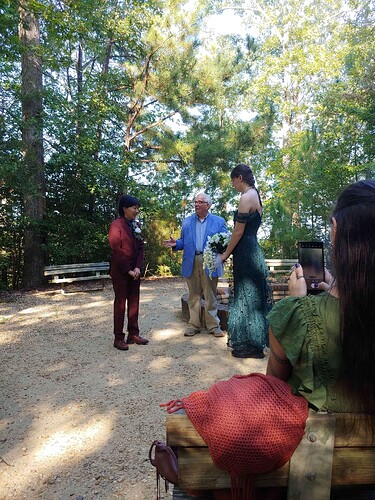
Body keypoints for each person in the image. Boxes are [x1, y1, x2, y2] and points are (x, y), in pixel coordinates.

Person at [267, 179, 375, 421]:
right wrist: (337, 286)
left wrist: (297, 306)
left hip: (320, 457)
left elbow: (270, 392)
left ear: (335, 232)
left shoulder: (294, 315)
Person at [220, 164, 271, 358]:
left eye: (233, 181)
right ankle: (256, 343)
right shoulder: (256, 195)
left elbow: (238, 231)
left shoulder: (246, 196)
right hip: (253, 248)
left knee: (245, 295)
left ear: (239, 178)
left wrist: (225, 254)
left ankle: (249, 344)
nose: (233, 185)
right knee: (253, 297)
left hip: (245, 252)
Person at [164, 193, 229, 338]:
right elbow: (183, 241)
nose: (196, 204)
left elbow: (226, 241)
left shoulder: (218, 221)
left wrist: (222, 255)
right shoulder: (187, 222)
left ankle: (213, 325)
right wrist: (176, 244)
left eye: (200, 202)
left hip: (210, 261)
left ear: (208, 205)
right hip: (191, 260)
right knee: (193, 294)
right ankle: (194, 325)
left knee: (210, 294)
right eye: (195, 202)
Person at [108, 194, 149, 351]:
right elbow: (116, 249)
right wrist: (128, 270)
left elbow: (140, 248)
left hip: (135, 272)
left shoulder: (136, 225)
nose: (136, 210)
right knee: (120, 304)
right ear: (124, 208)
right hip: (121, 272)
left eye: (138, 208)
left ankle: (133, 333)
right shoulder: (116, 225)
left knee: (134, 303)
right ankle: (118, 337)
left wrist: (138, 267)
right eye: (134, 207)